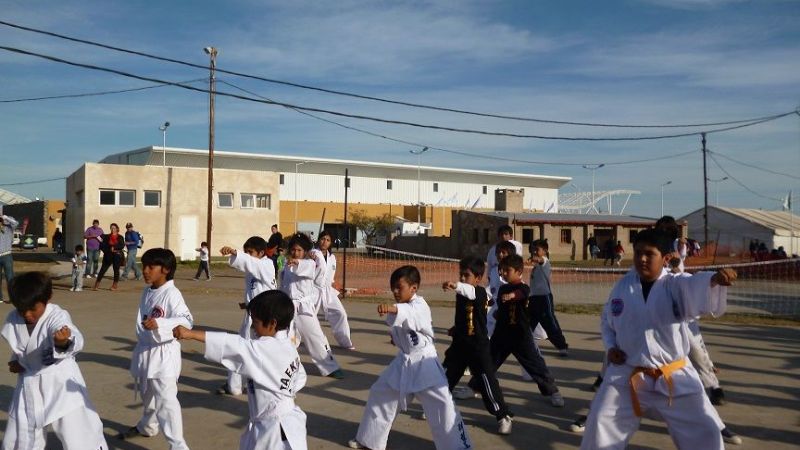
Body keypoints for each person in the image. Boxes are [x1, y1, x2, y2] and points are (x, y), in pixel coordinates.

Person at [580, 228, 738, 450]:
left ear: (665, 259)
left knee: (706, 433)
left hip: (674, 374)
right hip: (627, 372)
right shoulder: (623, 286)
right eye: (637, 253)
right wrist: (611, 346)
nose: (641, 259)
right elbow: (608, 320)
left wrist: (713, 279)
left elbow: (694, 284)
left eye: (649, 254)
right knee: (599, 426)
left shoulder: (675, 284)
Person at [348, 266, 473, 450]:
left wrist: (390, 308)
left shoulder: (419, 305)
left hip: (425, 364)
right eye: (393, 288)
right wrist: (396, 339)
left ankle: (459, 447)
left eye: (399, 287)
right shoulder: (401, 308)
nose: (395, 292)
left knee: (443, 406)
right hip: (404, 362)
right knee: (381, 392)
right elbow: (403, 330)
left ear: (414, 288)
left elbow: (408, 314)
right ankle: (369, 441)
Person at [173, 290, 308, 450]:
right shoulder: (287, 346)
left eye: (256, 322)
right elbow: (300, 377)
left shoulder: (267, 349)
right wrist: (284, 390)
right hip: (280, 421)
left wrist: (191, 334)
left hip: (276, 430)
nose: (252, 327)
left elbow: (235, 345)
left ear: (272, 323)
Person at [1, 272, 107, 450]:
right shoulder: (13, 318)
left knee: (79, 434)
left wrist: (62, 342)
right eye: (21, 309)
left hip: (60, 382)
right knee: (19, 435)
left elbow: (73, 338)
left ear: (47, 298)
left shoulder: (56, 316)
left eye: (32, 309)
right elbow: (22, 348)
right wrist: (18, 361)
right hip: (28, 382)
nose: (27, 314)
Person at [118, 248, 193, 449]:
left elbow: (187, 321)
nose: (146, 270)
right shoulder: (147, 291)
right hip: (146, 350)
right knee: (147, 394)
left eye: (152, 267)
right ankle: (148, 426)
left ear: (166, 269)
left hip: (164, 352)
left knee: (166, 401)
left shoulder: (172, 294)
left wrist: (161, 324)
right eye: (145, 266)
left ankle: (178, 445)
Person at [442, 256, 513, 435]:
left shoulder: (480, 293)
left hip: (478, 346)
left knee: (487, 382)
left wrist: (455, 285)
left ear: (478, 278)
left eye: (466, 275)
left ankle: (503, 415)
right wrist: (456, 328)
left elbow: (469, 292)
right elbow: (464, 317)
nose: (463, 278)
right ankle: (435, 407)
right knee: (445, 377)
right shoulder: (461, 294)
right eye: (461, 275)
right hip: (460, 344)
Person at [490, 254, 564, 407]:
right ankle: (474, 387)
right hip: (502, 335)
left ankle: (553, 392)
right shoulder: (503, 288)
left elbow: (521, 294)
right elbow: (502, 309)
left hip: (521, 336)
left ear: (518, 271)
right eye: (501, 270)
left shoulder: (523, 288)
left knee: (536, 366)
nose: (503, 273)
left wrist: (512, 295)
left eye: (507, 270)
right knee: (488, 362)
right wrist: (498, 313)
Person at [217, 236, 277, 396]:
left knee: (264, 352)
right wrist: (247, 303)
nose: (247, 255)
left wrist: (235, 252)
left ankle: (271, 384)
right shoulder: (253, 268)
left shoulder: (267, 264)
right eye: (246, 252)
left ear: (262, 252)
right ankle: (234, 386)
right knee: (240, 349)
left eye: (250, 252)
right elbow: (254, 288)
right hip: (252, 314)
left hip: (265, 316)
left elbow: (251, 263)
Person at [281, 233, 343, 378]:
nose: (296, 253)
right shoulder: (285, 265)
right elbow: (283, 286)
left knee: (316, 337)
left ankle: (330, 367)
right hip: (288, 307)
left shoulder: (309, 263)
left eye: (299, 250)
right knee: (284, 338)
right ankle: (284, 368)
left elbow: (307, 266)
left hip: (304, 308)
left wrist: (299, 262)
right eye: (294, 250)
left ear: (306, 252)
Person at [309, 230, 354, 350]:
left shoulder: (332, 257)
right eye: (323, 239)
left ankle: (345, 341)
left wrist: (339, 289)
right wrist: (309, 260)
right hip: (313, 290)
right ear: (319, 240)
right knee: (306, 316)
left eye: (328, 240)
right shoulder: (312, 254)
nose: (325, 242)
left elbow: (330, 277)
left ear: (331, 243)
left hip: (328, 291)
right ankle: (294, 342)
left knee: (341, 314)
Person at [528, 239, 569, 356]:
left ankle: (562, 346)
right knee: (527, 323)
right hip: (533, 299)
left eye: (537, 249)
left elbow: (539, 259)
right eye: (533, 249)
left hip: (544, 299)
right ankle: (523, 345)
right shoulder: (535, 268)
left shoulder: (545, 262)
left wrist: (534, 258)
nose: (534, 252)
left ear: (545, 251)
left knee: (549, 323)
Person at [487, 225, 523, 299]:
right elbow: (490, 266)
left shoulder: (516, 245)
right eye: (501, 234)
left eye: (506, 234)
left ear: (511, 236)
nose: (503, 236)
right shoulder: (493, 250)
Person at [93, 222, 125, 291]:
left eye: (114, 228)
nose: (112, 229)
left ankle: (114, 285)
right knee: (103, 270)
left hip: (117, 255)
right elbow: (101, 245)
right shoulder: (106, 236)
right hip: (108, 255)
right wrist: (107, 250)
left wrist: (114, 247)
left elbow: (122, 245)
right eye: (111, 228)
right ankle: (97, 284)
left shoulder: (120, 237)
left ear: (117, 229)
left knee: (116, 270)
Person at [0, 213, 18, 303]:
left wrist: (6, 218)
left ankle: (13, 298)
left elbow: (16, 223)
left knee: (10, 278)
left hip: (6, 255)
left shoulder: (9, 226)